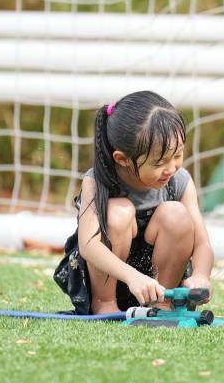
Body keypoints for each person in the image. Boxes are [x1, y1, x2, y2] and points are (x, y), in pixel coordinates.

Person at [54, 91, 214, 315]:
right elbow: (89, 246)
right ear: (123, 159)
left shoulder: (179, 181)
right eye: (160, 162)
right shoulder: (96, 181)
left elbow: (202, 243)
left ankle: (163, 306)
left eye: (177, 155)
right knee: (118, 212)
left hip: (157, 284)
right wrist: (132, 277)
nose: (172, 167)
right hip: (112, 279)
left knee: (176, 214)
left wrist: (201, 276)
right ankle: (105, 305)